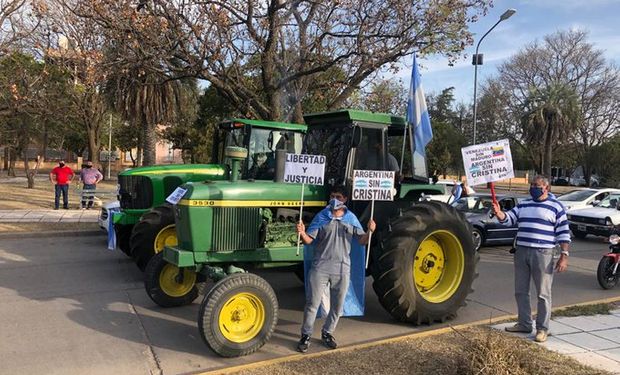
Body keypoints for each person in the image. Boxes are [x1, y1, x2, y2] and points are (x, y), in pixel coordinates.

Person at [295, 187, 376, 353]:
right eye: (332, 196)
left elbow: (361, 241)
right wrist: (302, 233)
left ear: (345, 199)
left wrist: (370, 231)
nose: (334, 199)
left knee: (338, 306)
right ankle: (305, 335)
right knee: (312, 303)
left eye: (338, 196)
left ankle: (327, 332)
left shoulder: (351, 218)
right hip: (320, 267)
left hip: (342, 268)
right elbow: (310, 240)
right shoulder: (321, 217)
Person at [491, 175, 570, 343]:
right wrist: (499, 213)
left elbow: (563, 233)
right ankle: (524, 323)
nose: (533, 187)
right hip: (522, 251)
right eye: (532, 184)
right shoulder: (524, 204)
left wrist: (564, 255)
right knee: (521, 291)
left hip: (543, 253)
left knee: (543, 293)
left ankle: (542, 329)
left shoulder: (556, 207)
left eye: (537, 185)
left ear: (546, 188)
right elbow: (509, 219)